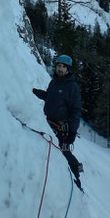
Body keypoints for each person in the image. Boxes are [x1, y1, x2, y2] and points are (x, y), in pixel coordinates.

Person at [33, 55, 83, 189]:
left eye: (63, 67)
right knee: (57, 150)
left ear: (68, 69)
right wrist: (39, 93)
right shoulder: (54, 83)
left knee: (63, 151)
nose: (60, 69)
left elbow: (76, 110)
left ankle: (76, 178)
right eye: (59, 66)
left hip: (62, 128)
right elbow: (50, 97)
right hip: (49, 122)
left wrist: (72, 131)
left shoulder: (72, 87)